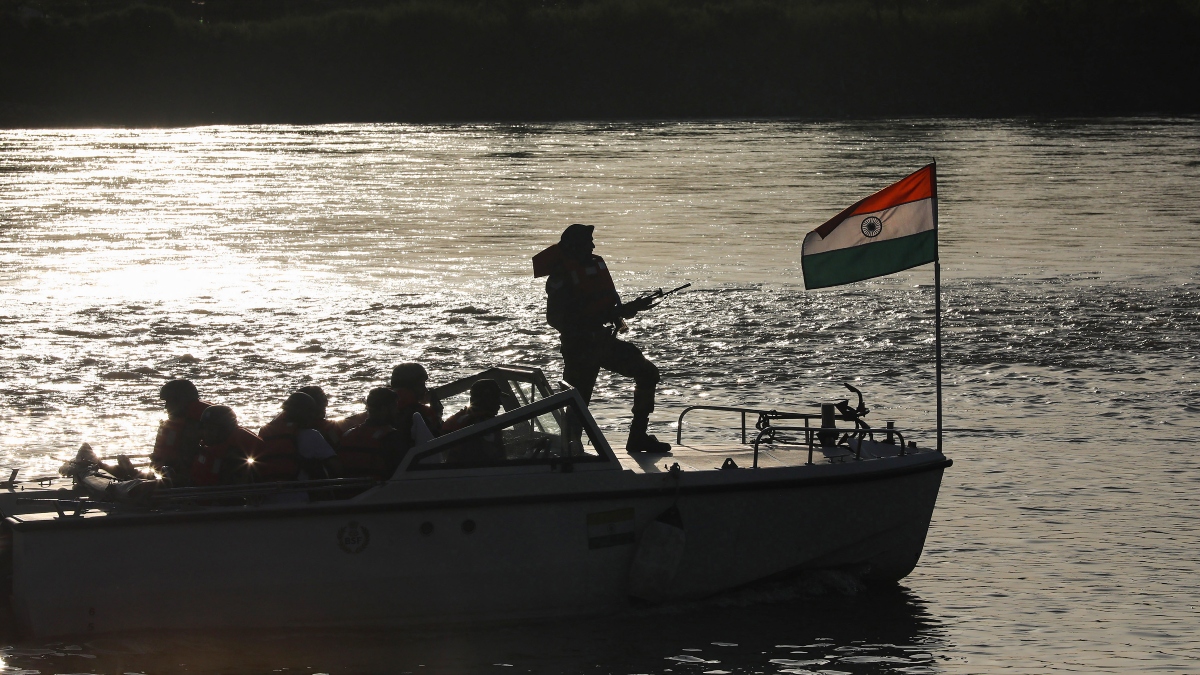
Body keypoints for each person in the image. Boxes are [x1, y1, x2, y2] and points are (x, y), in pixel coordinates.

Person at [534, 223, 670, 453]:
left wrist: (619, 312)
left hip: (603, 342)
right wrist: (608, 315)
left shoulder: (592, 267)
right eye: (588, 242)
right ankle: (570, 450)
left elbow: (600, 307)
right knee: (578, 402)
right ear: (575, 246)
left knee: (648, 373)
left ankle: (638, 437)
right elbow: (556, 319)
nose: (593, 246)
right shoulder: (561, 278)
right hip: (580, 349)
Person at [257, 392, 341, 482]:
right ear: (308, 414)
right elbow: (336, 467)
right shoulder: (312, 435)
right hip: (299, 492)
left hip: (269, 491)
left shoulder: (266, 432)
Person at [337, 388, 409, 479]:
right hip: (380, 490)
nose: (397, 411)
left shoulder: (348, 434)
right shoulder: (392, 438)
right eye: (394, 407)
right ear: (384, 409)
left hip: (349, 490)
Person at [150, 379, 213, 483]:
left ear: (181, 401)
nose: (166, 407)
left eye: (168, 402)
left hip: (190, 483)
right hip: (172, 476)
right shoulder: (180, 422)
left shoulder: (197, 426)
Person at [192, 405, 262, 486]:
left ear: (225, 431)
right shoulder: (202, 449)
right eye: (204, 428)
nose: (206, 433)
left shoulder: (235, 457)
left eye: (211, 430)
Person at [441, 379, 506, 465]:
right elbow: (496, 459)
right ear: (485, 399)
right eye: (496, 398)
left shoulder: (462, 418)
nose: (500, 403)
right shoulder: (482, 425)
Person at [390, 363, 443, 443]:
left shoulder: (381, 408)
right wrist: (437, 413)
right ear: (410, 386)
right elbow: (437, 439)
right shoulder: (422, 413)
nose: (425, 390)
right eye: (421, 385)